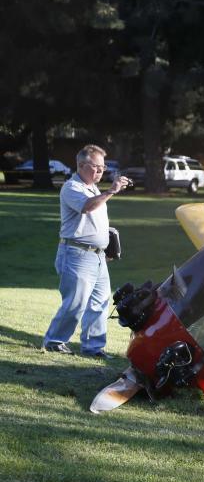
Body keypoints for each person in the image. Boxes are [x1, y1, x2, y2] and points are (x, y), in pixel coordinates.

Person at [43, 144, 130, 357]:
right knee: (76, 302)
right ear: (81, 165)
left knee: (100, 303)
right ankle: (54, 341)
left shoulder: (93, 188)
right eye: (96, 167)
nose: (101, 171)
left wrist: (106, 246)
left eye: (103, 167)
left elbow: (94, 219)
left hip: (97, 256)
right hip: (77, 254)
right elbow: (87, 207)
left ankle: (93, 347)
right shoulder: (72, 187)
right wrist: (111, 191)